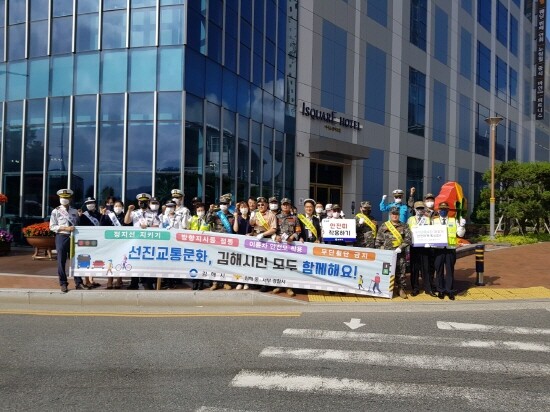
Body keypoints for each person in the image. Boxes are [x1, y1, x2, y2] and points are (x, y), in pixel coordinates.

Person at [50, 189, 86, 292]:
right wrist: (66, 228)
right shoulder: (55, 211)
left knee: (76, 260)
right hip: (62, 236)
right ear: (60, 198)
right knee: (61, 261)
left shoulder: (74, 211)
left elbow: (77, 225)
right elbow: (52, 226)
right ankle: (63, 283)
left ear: (70, 199)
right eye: (62, 197)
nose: (64, 199)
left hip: (73, 237)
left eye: (66, 197)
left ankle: (79, 283)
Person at [375, 206, 412, 299]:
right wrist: (381, 250)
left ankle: (401, 289)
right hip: (387, 255)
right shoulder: (384, 225)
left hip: (400, 254)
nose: (395, 216)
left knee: (401, 272)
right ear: (390, 215)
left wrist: (400, 247)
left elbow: (408, 239)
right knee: (386, 272)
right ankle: (387, 290)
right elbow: (378, 240)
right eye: (393, 214)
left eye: (396, 214)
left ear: (399, 215)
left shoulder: (404, 226)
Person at [124, 193, 159, 289]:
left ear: (148, 202)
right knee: (135, 262)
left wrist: (148, 227)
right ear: (138, 202)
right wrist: (129, 210)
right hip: (136, 241)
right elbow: (126, 221)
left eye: (144, 202)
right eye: (141, 202)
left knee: (148, 263)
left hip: (148, 242)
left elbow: (157, 227)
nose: (142, 203)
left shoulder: (153, 214)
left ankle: (148, 283)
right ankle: (134, 283)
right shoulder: (135, 212)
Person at [433, 202, 466, 300]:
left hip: (450, 248)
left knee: (450, 270)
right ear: (438, 210)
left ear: (448, 211)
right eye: (441, 209)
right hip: (438, 249)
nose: (443, 211)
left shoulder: (453, 220)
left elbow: (460, 234)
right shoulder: (434, 221)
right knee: (439, 271)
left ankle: (449, 290)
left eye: (445, 209)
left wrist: (462, 226)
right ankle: (441, 290)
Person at [407, 201, 436, 297]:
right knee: (414, 269)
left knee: (426, 268)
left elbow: (432, 232)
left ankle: (428, 288)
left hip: (425, 247)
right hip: (414, 247)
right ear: (414, 209)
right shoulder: (410, 219)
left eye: (421, 208)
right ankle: (415, 288)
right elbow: (407, 232)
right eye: (418, 208)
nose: (420, 210)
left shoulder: (427, 219)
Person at [249, 196, 278, 292]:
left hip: (266, 239)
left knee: (266, 263)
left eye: (263, 204)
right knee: (256, 262)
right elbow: (252, 224)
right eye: (259, 205)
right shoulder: (256, 214)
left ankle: (265, 284)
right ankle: (256, 282)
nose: (261, 206)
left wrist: (263, 234)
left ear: (266, 205)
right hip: (256, 239)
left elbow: (273, 229)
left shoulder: (271, 215)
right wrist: (252, 217)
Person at [207, 194, 235, 290]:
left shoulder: (232, 215)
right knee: (216, 262)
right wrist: (210, 211)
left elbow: (235, 229)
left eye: (225, 203)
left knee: (226, 262)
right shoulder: (216, 214)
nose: (223, 205)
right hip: (217, 242)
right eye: (221, 203)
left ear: (228, 204)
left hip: (228, 242)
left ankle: (226, 282)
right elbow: (207, 221)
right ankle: (215, 283)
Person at [274, 198, 300, 297]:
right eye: (284, 205)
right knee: (279, 265)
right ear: (281, 206)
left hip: (290, 246)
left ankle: (289, 287)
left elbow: (298, 231)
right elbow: (272, 229)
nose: (285, 206)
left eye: (287, 205)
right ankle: (279, 286)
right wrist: (275, 236)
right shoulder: (276, 217)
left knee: (289, 266)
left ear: (290, 206)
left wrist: (293, 237)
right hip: (279, 246)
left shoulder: (295, 218)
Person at [100, 199, 125, 289]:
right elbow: (101, 225)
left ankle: (119, 280)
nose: (117, 208)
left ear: (122, 207)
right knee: (110, 261)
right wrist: (103, 215)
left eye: (119, 206)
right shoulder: (109, 216)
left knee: (121, 261)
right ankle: (110, 280)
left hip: (122, 242)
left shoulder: (125, 216)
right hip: (111, 242)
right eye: (116, 206)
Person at [79, 197, 102, 288]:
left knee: (94, 260)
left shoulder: (99, 214)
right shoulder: (83, 215)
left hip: (97, 240)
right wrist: (79, 216)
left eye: (92, 202)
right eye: (88, 203)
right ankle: (87, 280)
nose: (90, 204)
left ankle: (92, 279)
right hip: (87, 241)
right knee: (86, 259)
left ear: (95, 203)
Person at [189, 202, 210, 290]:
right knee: (193, 264)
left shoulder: (208, 219)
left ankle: (201, 283)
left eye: (202, 210)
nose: (200, 212)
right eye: (199, 210)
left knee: (202, 265)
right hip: (193, 245)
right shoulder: (192, 219)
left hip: (204, 245)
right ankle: (194, 282)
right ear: (196, 211)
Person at [232, 201, 252, 290]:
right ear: (239, 209)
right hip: (239, 244)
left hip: (248, 245)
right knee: (239, 263)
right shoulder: (238, 218)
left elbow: (254, 230)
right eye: (242, 207)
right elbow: (235, 229)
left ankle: (246, 282)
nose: (244, 209)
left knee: (247, 263)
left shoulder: (251, 218)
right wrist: (236, 218)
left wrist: (251, 234)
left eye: (245, 207)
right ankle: (239, 281)